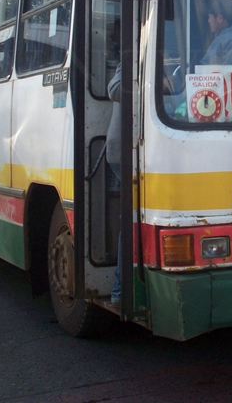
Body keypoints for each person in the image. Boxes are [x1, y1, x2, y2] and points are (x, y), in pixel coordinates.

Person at [105, 63, 122, 308]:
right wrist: (151, 86)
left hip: (140, 147)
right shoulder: (133, 54)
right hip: (123, 151)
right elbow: (114, 88)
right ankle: (119, 291)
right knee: (131, 218)